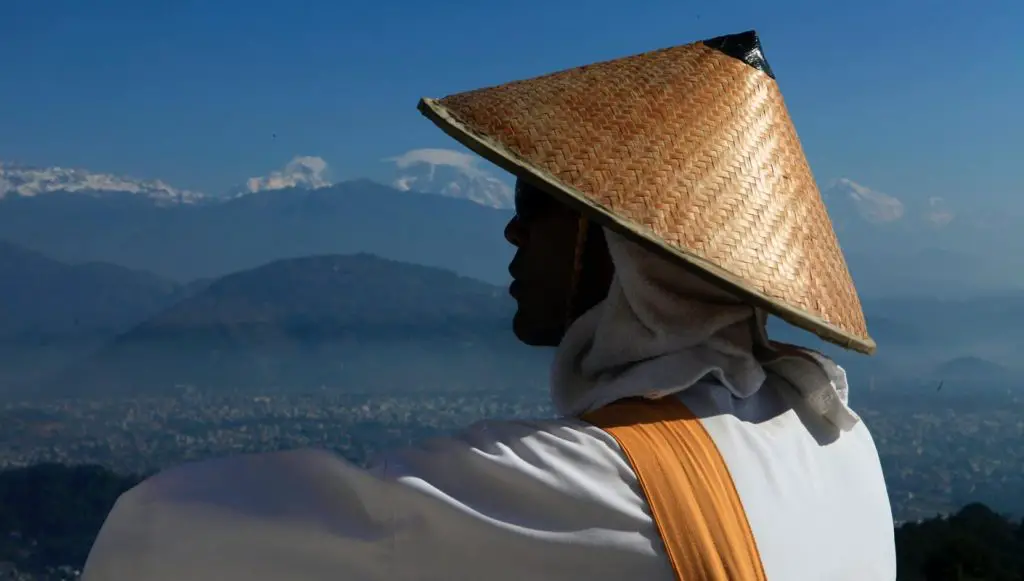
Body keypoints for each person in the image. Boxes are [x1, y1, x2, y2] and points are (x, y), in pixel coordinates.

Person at [81, 30, 896, 580]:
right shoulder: (834, 439)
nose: (510, 230)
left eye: (535, 201)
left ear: (616, 240)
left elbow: (163, 533)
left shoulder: (596, 486)